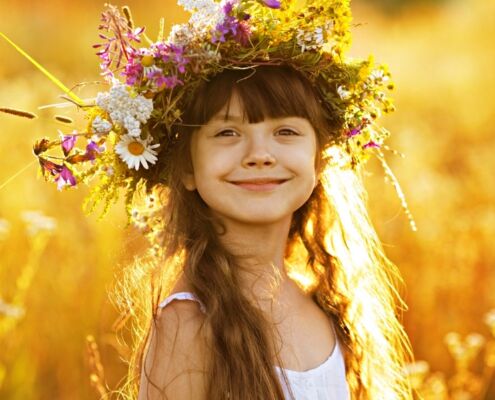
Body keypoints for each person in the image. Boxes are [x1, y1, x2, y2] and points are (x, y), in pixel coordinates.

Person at [13, 0, 415, 398]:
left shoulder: (325, 303)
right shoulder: (188, 324)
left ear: (318, 158)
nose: (260, 154)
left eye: (286, 132)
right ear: (187, 168)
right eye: (227, 133)